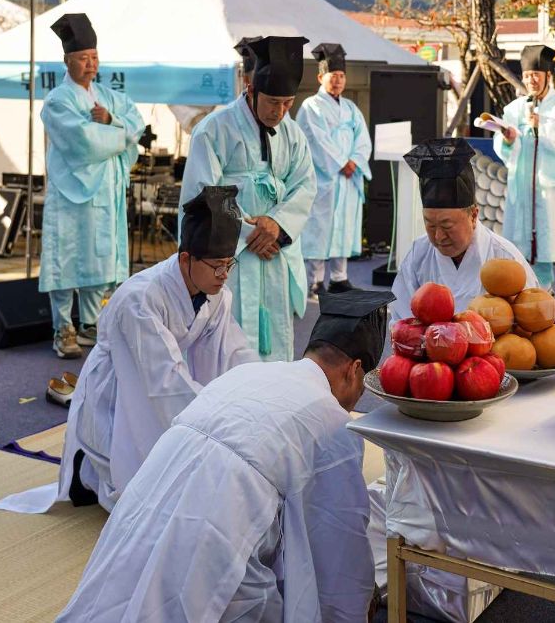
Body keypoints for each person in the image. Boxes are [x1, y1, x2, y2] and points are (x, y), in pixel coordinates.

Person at [56, 288, 393, 622]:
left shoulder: (247, 374)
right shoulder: (331, 421)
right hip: (216, 550)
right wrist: (359, 600)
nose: (357, 398)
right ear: (354, 370)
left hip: (141, 515)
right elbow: (339, 538)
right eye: (363, 386)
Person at [0, 186, 259, 514]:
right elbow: (164, 380)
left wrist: (256, 391)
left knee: (194, 463)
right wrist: (210, 420)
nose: (223, 276)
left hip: (160, 382)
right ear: (186, 258)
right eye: (216, 266)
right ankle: (87, 471)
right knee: (146, 495)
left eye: (229, 265)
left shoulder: (216, 292)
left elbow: (231, 352)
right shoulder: (141, 298)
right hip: (117, 391)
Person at [179, 36, 317, 362]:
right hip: (231, 257)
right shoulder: (214, 129)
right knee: (225, 342)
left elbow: (305, 186)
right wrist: (250, 232)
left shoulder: (293, 134)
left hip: (274, 252)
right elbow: (203, 193)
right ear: (250, 89)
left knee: (276, 342)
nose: (280, 112)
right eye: (273, 102)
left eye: (288, 103)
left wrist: (277, 225)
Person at [40, 13, 145, 359]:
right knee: (67, 260)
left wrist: (113, 122)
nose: (90, 64)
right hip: (73, 193)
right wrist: (120, 134)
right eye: (83, 58)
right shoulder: (58, 100)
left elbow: (137, 125)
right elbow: (84, 142)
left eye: (94, 57)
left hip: (105, 192)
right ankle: (62, 328)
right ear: (67, 61)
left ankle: (89, 322)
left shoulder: (109, 98)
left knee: (99, 258)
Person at [391, 138, 538, 321]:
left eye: (447, 226)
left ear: (474, 216)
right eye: (430, 224)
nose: (438, 236)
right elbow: (400, 318)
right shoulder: (418, 255)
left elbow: (533, 320)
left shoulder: (505, 257)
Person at [494, 45, 555, 289]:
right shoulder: (514, 109)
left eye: (536, 74)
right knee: (528, 250)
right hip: (524, 189)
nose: (531, 80)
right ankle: (536, 292)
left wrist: (542, 124)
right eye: (526, 75)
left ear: (548, 76)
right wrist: (508, 139)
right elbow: (503, 146)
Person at [296, 43, 372, 298]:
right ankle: (315, 281)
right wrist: (341, 162)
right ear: (321, 77)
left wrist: (355, 161)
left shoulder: (350, 108)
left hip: (348, 178)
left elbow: (363, 138)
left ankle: (339, 277)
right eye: (333, 76)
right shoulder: (311, 106)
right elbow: (315, 139)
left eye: (341, 76)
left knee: (344, 227)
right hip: (325, 177)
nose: (338, 81)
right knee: (320, 226)